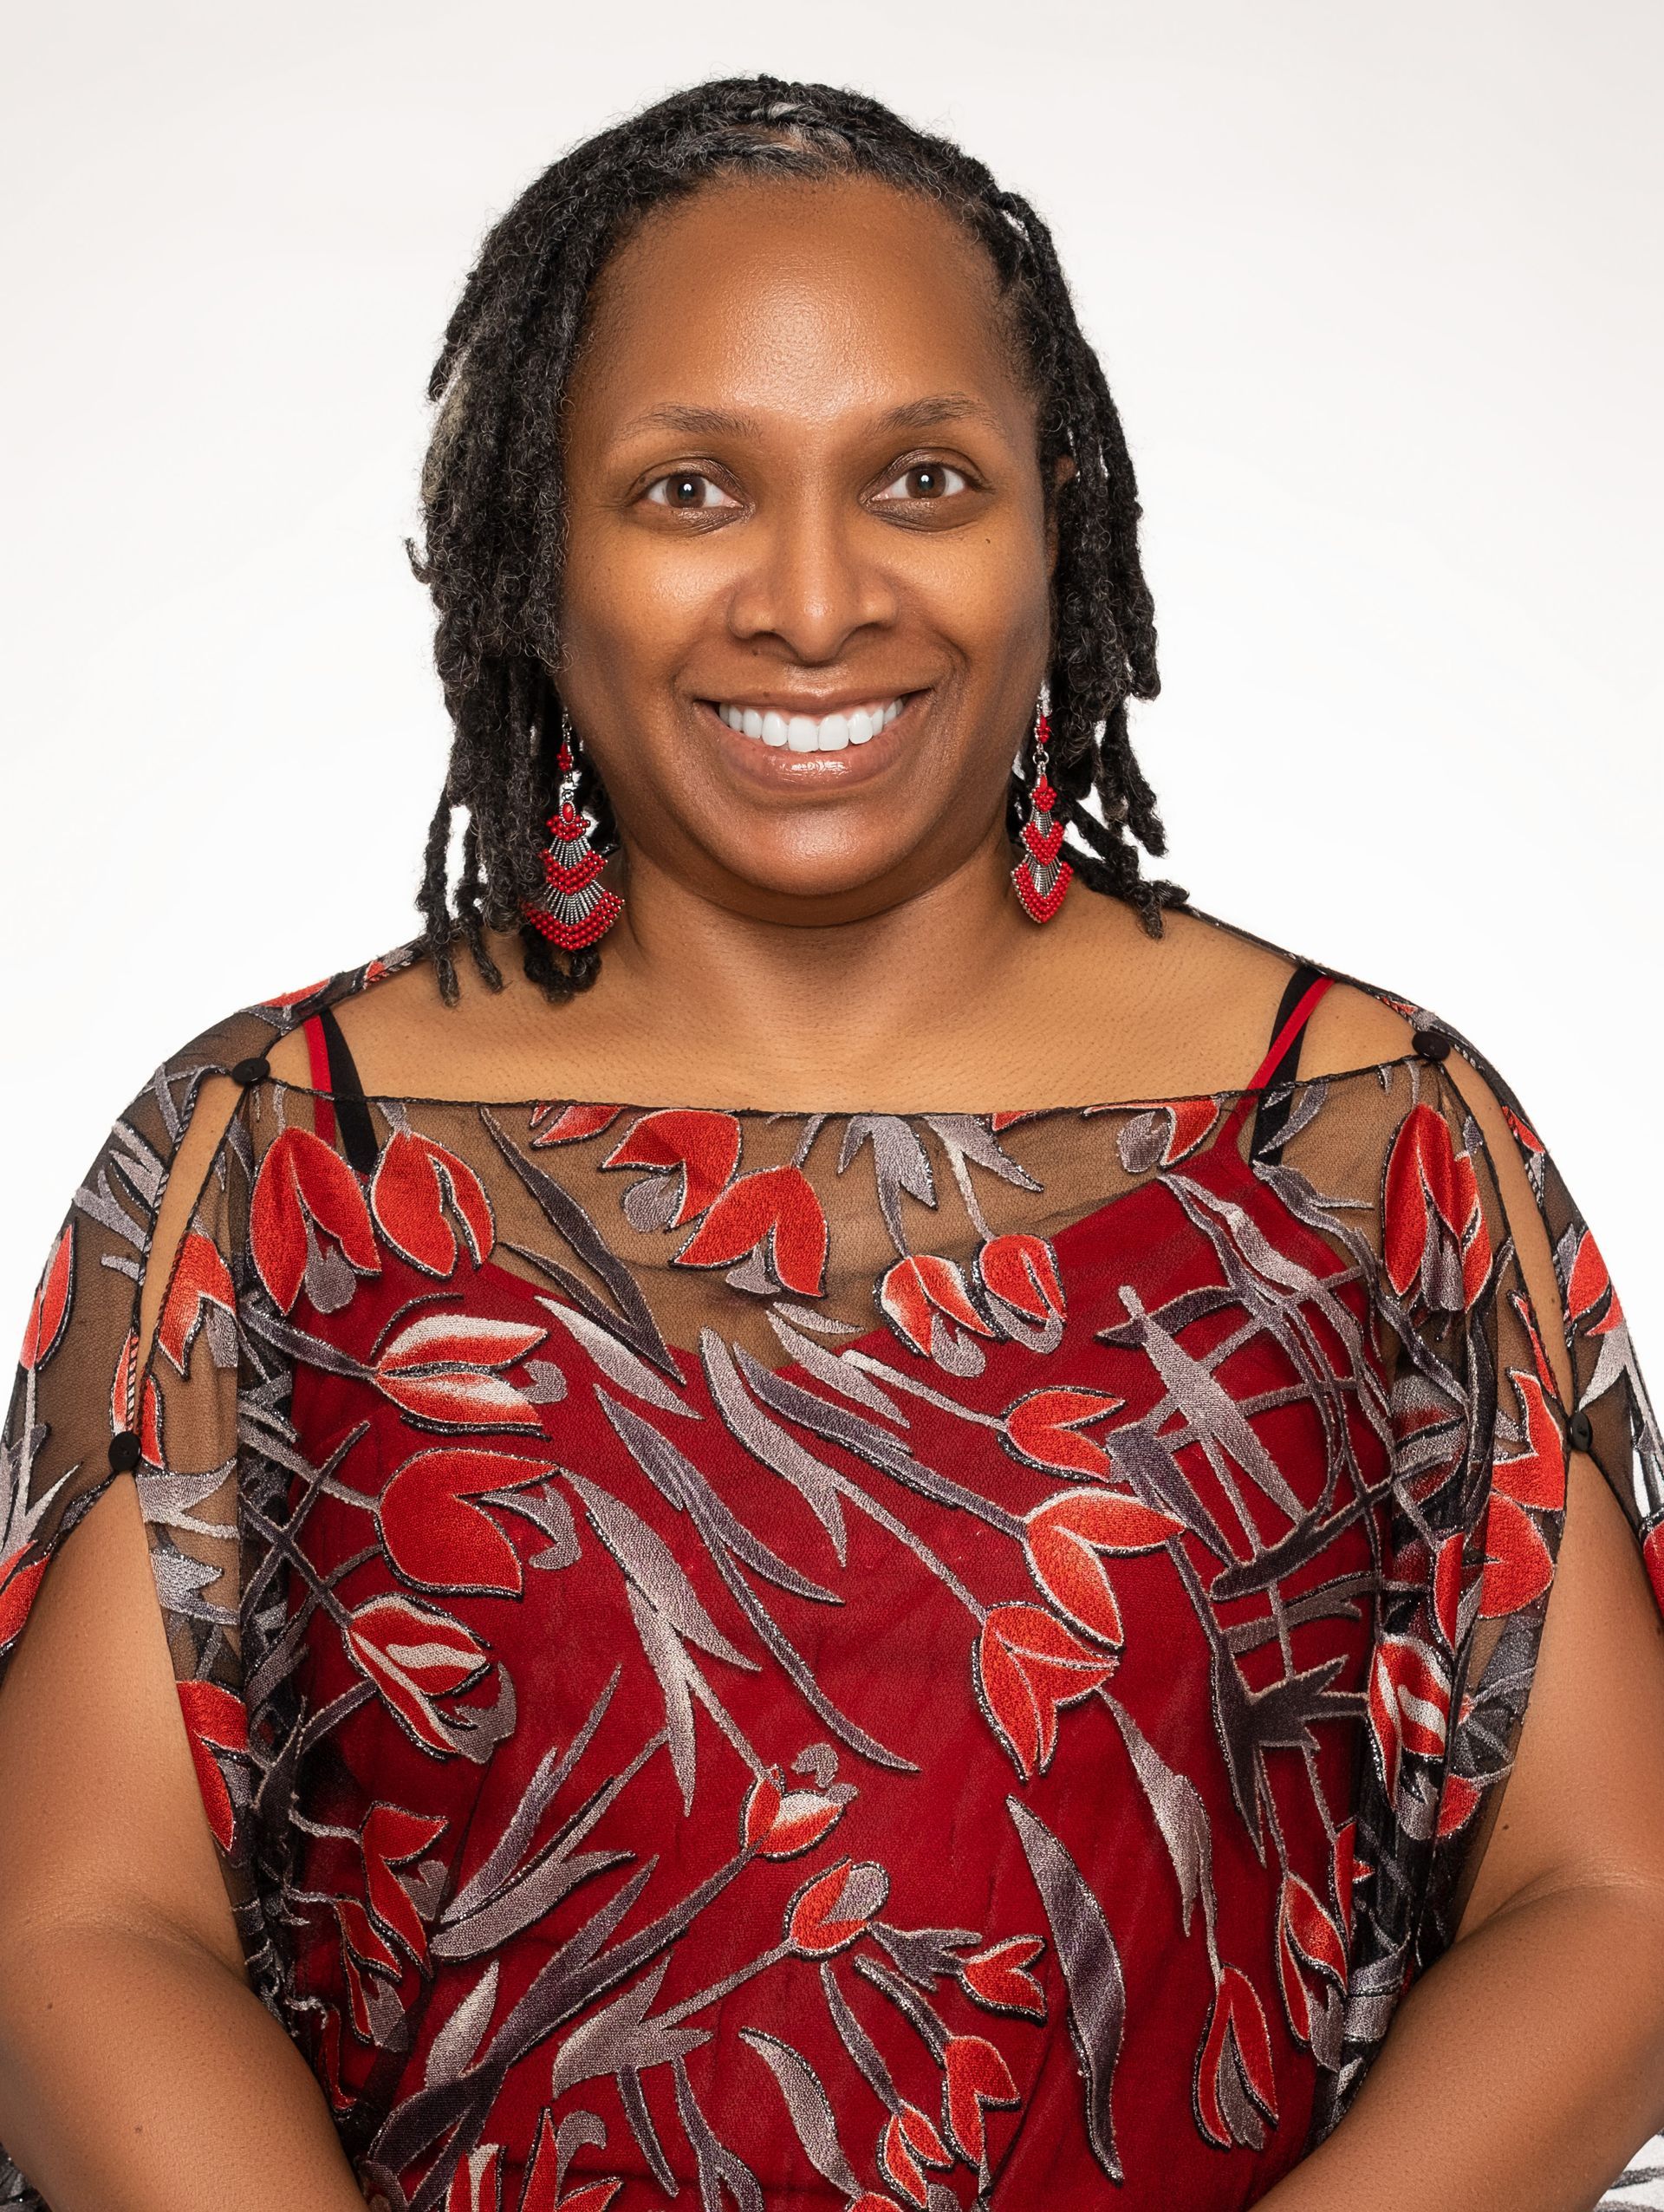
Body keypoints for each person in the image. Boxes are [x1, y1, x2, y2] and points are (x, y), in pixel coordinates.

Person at [2, 73, 1662, 2212]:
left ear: (1054, 515)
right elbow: (75, 1926)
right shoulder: (280, 1154)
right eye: (692, 487)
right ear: (535, 551)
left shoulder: (1366, 1141)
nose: (813, 599)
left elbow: (1613, 1896)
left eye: (920, 477)